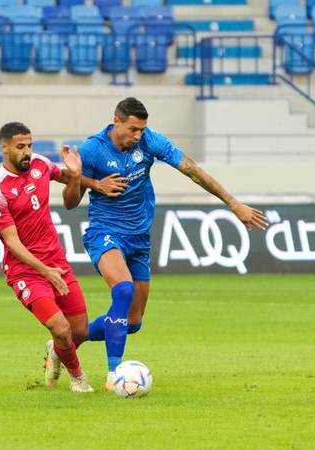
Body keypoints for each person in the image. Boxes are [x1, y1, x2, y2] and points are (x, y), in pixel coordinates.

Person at [67, 97, 269, 389]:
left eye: (142, 130)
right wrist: (94, 184)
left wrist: (233, 204)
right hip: (104, 231)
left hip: (139, 237)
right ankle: (115, 375)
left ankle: (65, 343)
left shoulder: (149, 141)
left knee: (132, 322)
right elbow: (68, 192)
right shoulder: (93, 148)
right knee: (122, 290)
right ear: (117, 121)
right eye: (133, 129)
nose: (138, 136)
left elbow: (191, 169)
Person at [0, 122, 93, 393]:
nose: (27, 152)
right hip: (25, 271)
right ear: (4, 147)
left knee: (79, 331)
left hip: (56, 262)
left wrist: (77, 175)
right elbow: (12, 242)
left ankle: (55, 352)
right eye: (20, 147)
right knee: (60, 328)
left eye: (30, 145)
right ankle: (79, 379)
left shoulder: (41, 165)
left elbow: (70, 194)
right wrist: (44, 271)